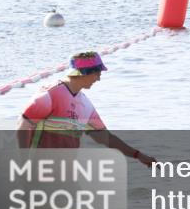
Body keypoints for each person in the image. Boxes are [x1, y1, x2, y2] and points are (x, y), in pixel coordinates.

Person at [16, 51, 155, 166]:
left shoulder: (85, 105)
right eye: (97, 73)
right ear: (84, 72)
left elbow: (105, 137)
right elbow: (23, 125)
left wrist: (138, 155)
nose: (99, 79)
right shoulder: (50, 94)